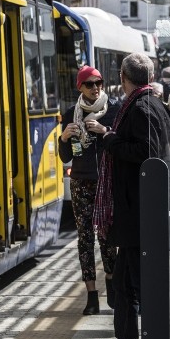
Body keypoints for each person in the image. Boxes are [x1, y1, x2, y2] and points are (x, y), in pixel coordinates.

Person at [88, 53, 170, 339]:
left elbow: (146, 153)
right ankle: (125, 338)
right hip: (140, 211)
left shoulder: (141, 108)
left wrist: (109, 138)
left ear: (122, 78)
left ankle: (145, 336)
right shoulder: (157, 105)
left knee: (138, 284)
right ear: (150, 77)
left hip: (139, 212)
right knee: (125, 281)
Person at [58, 65, 120, 315]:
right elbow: (64, 158)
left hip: (106, 181)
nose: (96, 88)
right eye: (90, 84)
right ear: (80, 87)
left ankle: (112, 287)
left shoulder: (113, 110)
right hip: (81, 181)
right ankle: (91, 295)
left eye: (99, 83)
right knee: (85, 238)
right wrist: (64, 138)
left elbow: (119, 144)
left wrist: (104, 131)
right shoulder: (71, 113)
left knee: (107, 236)